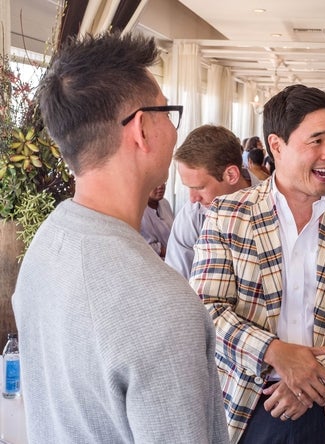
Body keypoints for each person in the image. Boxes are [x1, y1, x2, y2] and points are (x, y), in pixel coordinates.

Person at [11, 32, 229, 443]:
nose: (174, 128)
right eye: (168, 111)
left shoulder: (45, 244)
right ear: (142, 129)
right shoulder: (162, 305)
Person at [190, 84, 325, 444]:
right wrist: (275, 353)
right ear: (277, 145)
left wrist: (311, 379)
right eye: (316, 140)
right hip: (249, 406)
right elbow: (206, 310)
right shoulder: (229, 215)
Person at [165, 124, 249, 279]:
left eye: (200, 187)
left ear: (231, 175)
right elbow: (178, 279)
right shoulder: (191, 216)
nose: (192, 198)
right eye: (188, 188)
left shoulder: (274, 204)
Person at [140, 182, 174, 258]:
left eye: (163, 182)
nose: (160, 186)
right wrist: (173, 252)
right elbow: (144, 247)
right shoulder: (139, 211)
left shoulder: (164, 203)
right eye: (156, 182)